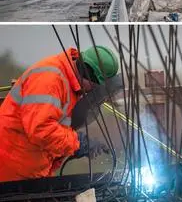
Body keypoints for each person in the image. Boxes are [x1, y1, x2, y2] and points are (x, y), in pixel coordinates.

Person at [0, 46, 119, 182]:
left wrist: (78, 141)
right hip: (11, 169)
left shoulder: (70, 82)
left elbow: (57, 124)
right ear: (90, 75)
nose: (92, 93)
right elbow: (41, 130)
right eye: (96, 87)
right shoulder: (50, 81)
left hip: (31, 167)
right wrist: (77, 143)